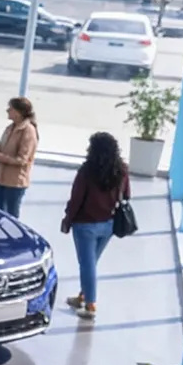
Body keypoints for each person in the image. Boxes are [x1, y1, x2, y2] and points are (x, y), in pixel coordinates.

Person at [62, 131, 130, 320]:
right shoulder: (122, 169)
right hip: (108, 224)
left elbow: (76, 199)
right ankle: (83, 296)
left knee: (87, 264)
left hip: (85, 225)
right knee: (91, 262)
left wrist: (67, 220)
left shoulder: (86, 171)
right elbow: (127, 194)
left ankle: (90, 305)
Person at [0, 96, 39, 217]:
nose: (7, 111)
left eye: (11, 108)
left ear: (19, 112)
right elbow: (3, 150)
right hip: (0, 179)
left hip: (15, 183)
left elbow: (22, 160)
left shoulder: (28, 131)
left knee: (10, 217)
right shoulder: (10, 128)